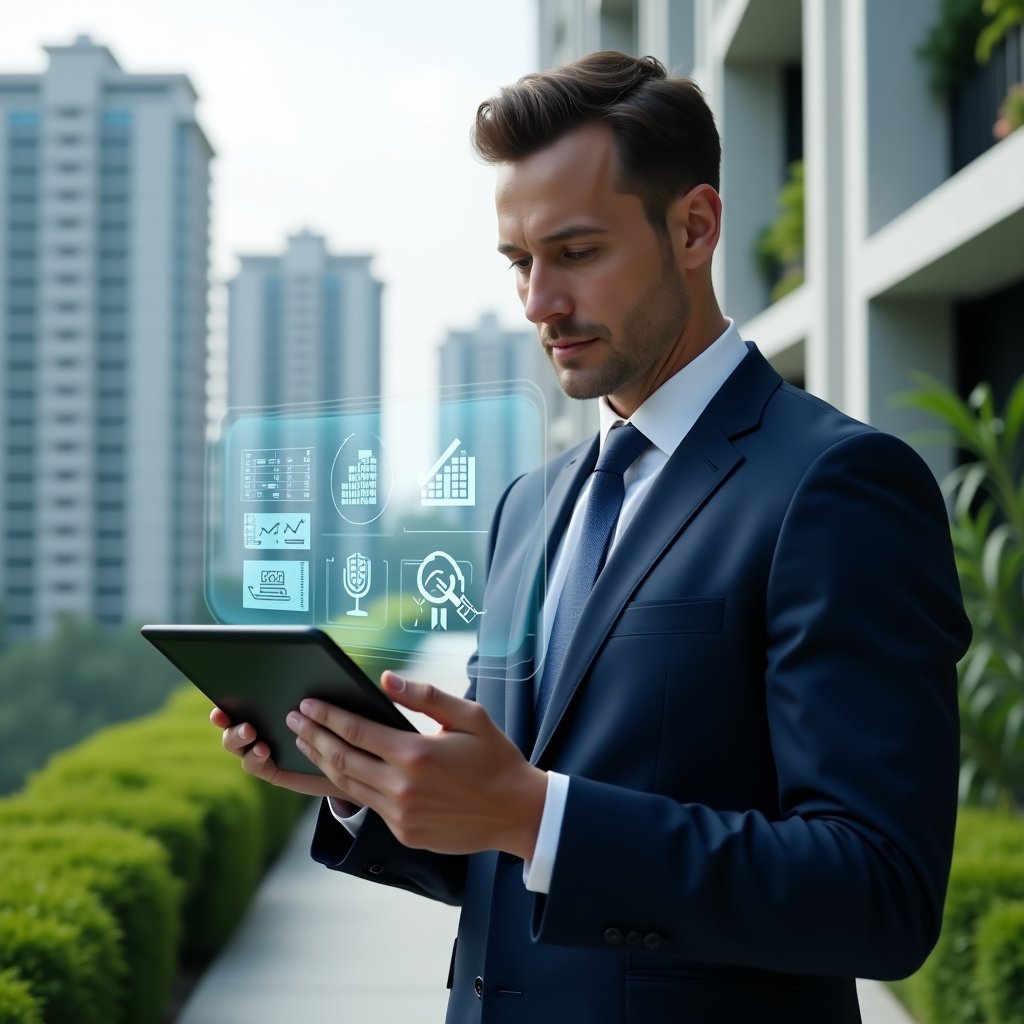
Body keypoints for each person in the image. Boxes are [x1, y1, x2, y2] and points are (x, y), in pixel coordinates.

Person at [213, 51, 971, 1023]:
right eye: (519, 262)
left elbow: (878, 892)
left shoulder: (836, 486)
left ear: (693, 227)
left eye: (574, 254)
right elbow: (519, 858)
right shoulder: (530, 503)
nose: (537, 303)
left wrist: (532, 812)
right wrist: (369, 784)